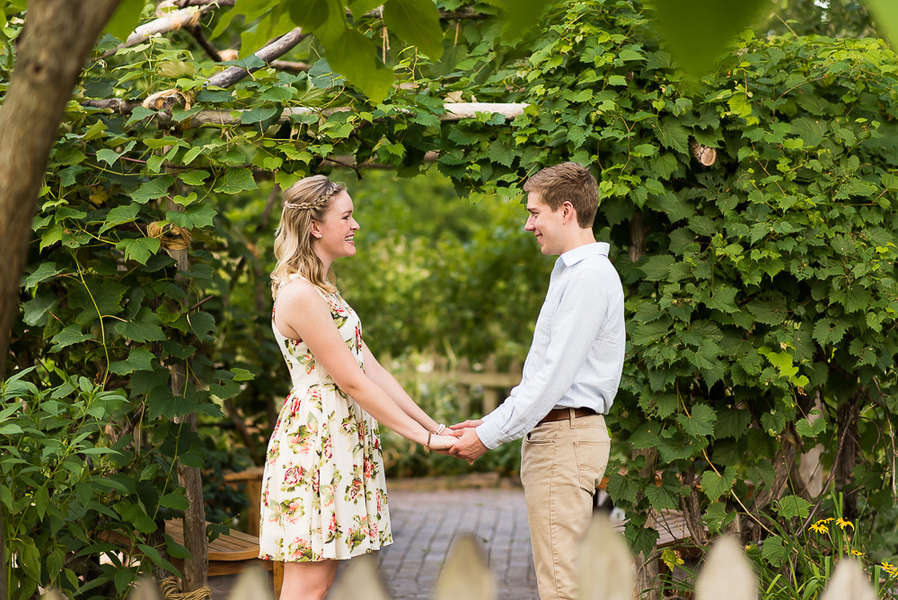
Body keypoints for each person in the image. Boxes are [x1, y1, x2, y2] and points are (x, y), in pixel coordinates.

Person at [260, 175, 457, 600]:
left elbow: (374, 370)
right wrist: (422, 439)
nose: (356, 225)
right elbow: (350, 381)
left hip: (338, 437)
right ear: (315, 227)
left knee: (321, 582)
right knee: (307, 586)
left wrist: (435, 428)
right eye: (346, 216)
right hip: (315, 443)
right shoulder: (300, 294)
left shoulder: (325, 292)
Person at [449, 162, 625, 600]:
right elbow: (543, 377)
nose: (529, 225)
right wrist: (489, 421)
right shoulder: (569, 272)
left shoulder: (587, 278)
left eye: (534, 213)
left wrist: (487, 436)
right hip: (559, 436)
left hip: (565, 440)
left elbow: (551, 381)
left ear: (566, 211)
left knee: (563, 588)